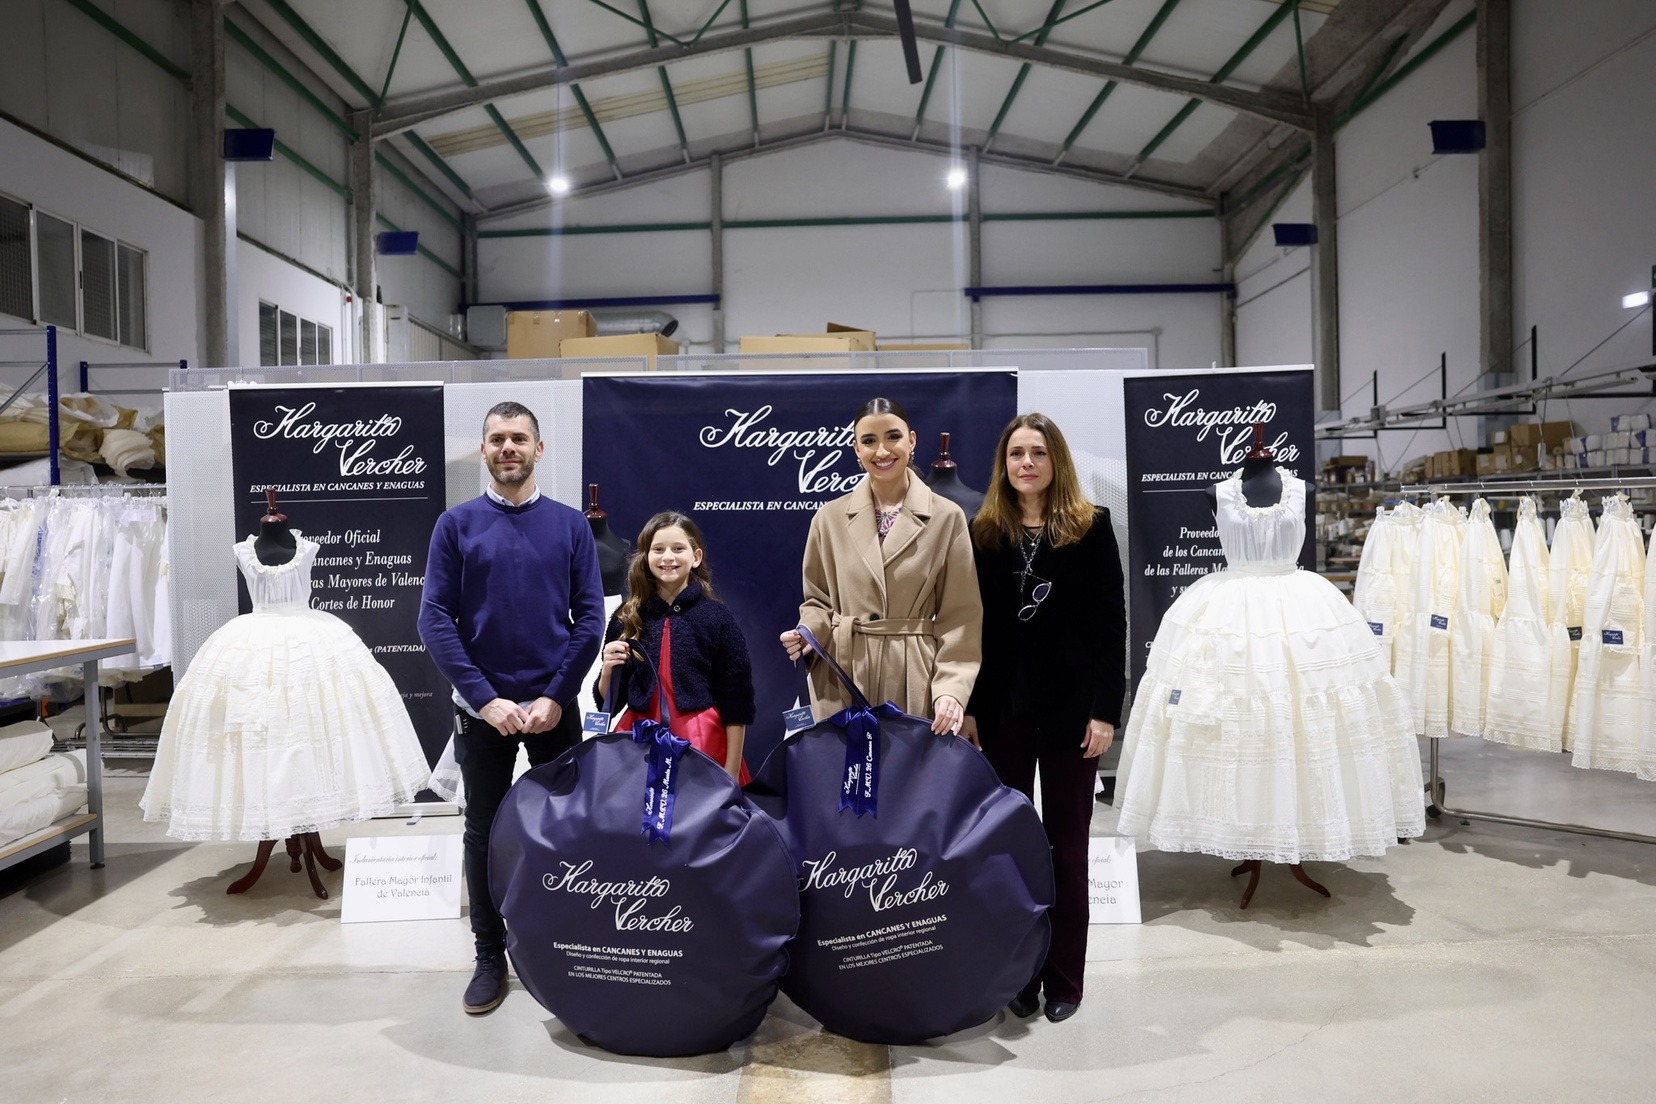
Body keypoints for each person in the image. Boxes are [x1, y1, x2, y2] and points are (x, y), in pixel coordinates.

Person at [418, 401, 604, 1016]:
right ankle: (489, 955)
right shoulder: (456, 525)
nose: (508, 448)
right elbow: (435, 619)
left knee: (566, 829)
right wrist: (485, 698)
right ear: (484, 450)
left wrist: (556, 695)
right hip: (483, 713)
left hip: (554, 708)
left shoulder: (570, 526)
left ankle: (566, 945)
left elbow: (589, 619)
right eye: (497, 439)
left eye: (519, 438)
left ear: (538, 449)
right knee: (484, 832)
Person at [962, 412, 1125, 1025]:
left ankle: (1064, 979)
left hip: (1072, 716)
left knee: (1067, 849)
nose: (1026, 463)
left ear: (1056, 460)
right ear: (1003, 465)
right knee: (1009, 848)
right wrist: (971, 707)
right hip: (1003, 712)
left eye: (1037, 452)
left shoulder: (1092, 526)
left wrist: (1105, 712)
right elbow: (971, 627)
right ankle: (1020, 975)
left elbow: (1111, 624)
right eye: (1016, 454)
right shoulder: (984, 532)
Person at [780, 397, 981, 734]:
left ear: (911, 440)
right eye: (869, 441)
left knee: (907, 767)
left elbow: (960, 617)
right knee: (845, 767)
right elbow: (818, 601)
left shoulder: (947, 518)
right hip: (843, 675)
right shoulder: (828, 518)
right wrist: (808, 632)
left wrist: (951, 689)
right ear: (856, 449)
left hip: (914, 676)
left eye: (893, 437)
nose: (882, 451)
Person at [594, 511, 756, 782]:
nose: (667, 557)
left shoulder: (717, 618)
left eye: (678, 549)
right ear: (646, 557)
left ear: (696, 557)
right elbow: (609, 702)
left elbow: (737, 701)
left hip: (702, 744)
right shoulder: (626, 618)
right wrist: (608, 670)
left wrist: (730, 770)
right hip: (639, 743)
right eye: (658, 549)